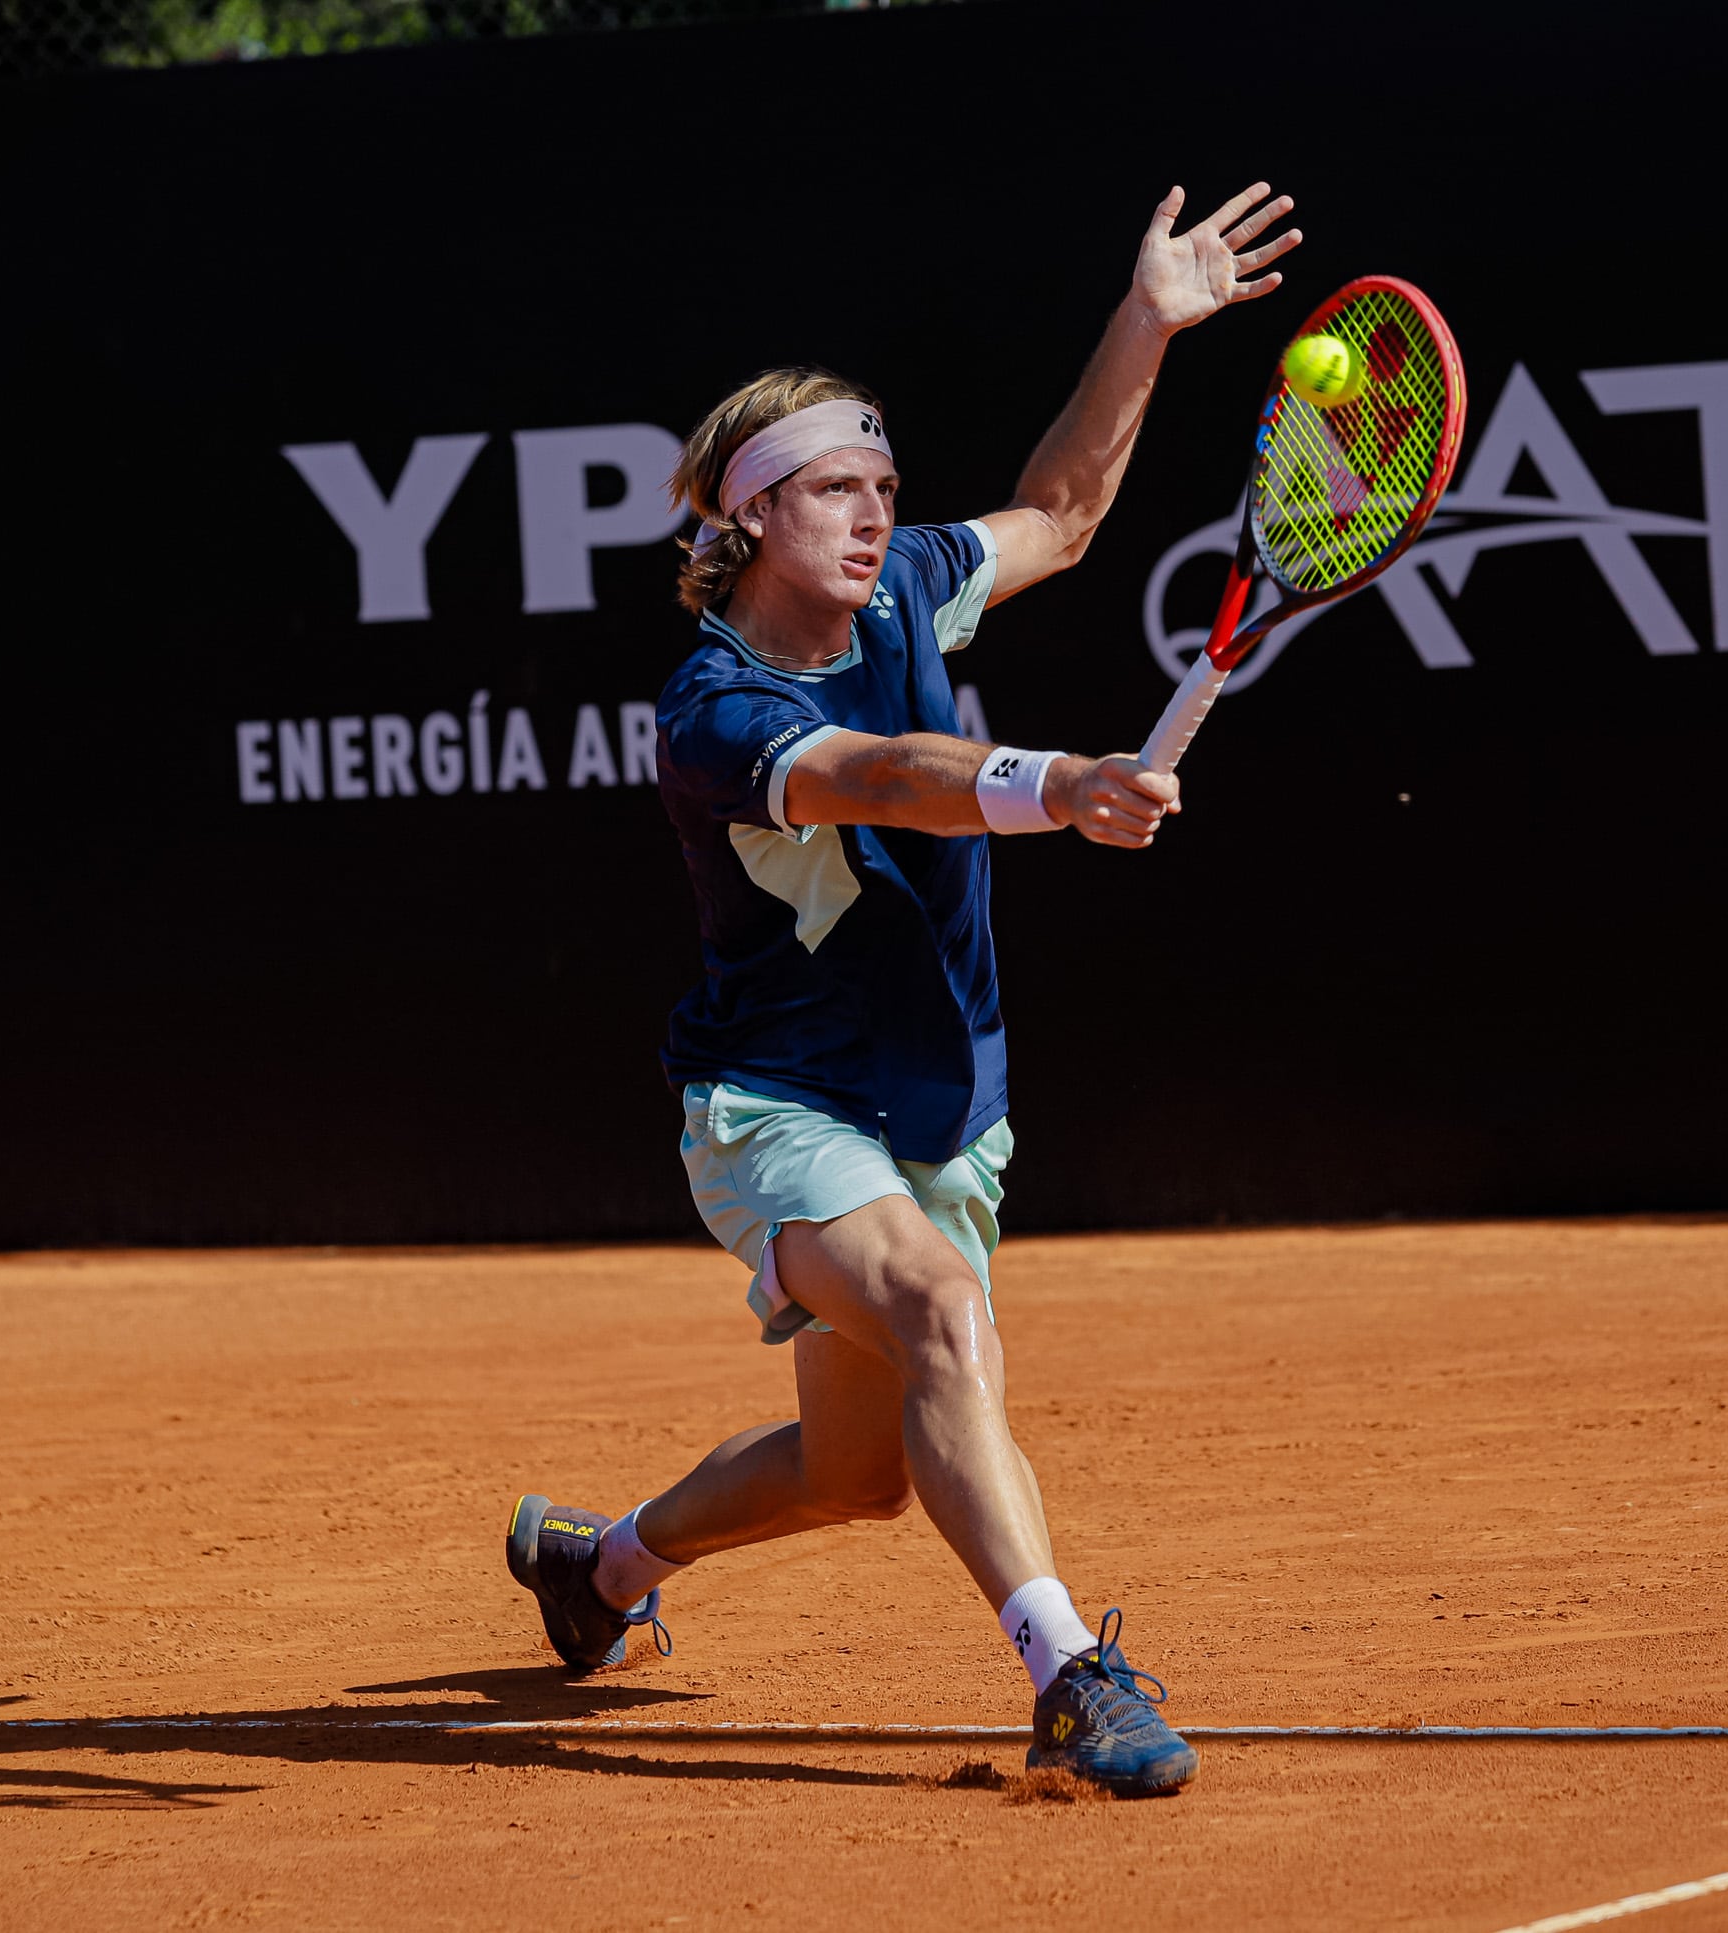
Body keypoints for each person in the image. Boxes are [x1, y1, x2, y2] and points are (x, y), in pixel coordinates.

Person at [507, 182, 1301, 1798]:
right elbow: (885, 773)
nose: (876, 517)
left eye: (883, 485)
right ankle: (1073, 1672)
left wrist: (1146, 318)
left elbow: (1064, 515)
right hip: (776, 1105)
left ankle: (595, 1574)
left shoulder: (911, 583)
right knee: (941, 1309)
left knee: (859, 1473)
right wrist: (1057, 777)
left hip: (949, 1100)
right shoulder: (715, 708)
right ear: (743, 524)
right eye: (832, 493)